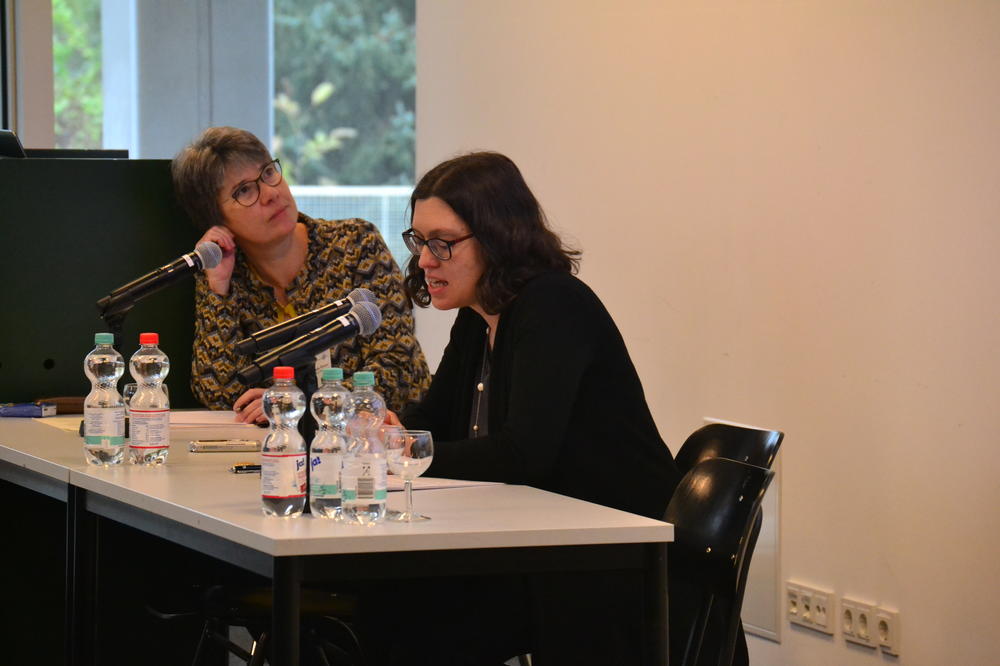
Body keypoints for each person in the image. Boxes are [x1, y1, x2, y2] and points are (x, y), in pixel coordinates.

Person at [381, 151, 680, 664]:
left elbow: (523, 454)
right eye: (419, 241)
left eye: (442, 243)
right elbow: (432, 418)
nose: (425, 260)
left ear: (497, 237)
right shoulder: (477, 317)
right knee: (391, 603)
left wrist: (407, 453)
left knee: (410, 611)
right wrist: (389, 431)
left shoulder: (554, 305)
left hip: (613, 562)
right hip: (544, 550)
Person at [171, 126, 430, 420]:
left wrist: (297, 403)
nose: (271, 193)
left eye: (268, 173)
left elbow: (397, 367)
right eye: (244, 190)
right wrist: (219, 290)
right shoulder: (227, 275)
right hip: (285, 442)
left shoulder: (356, 244)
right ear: (215, 217)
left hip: (392, 434)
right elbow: (219, 394)